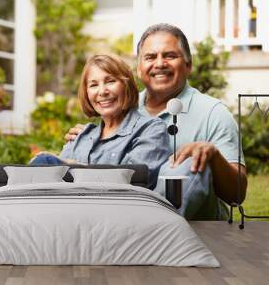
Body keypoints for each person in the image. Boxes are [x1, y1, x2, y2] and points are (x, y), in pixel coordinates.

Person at [65, 24, 248, 220]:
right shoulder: (121, 106)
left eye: (170, 56)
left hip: (197, 230)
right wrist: (87, 140)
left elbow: (236, 195)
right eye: (150, 57)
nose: (159, 64)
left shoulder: (213, 113)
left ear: (188, 65)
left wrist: (213, 156)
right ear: (139, 68)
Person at [32, 54, 171, 188]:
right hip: (65, 207)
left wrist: (74, 165)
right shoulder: (81, 135)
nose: (102, 91)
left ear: (126, 85)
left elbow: (133, 182)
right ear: (86, 93)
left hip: (116, 208)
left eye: (110, 81)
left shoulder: (151, 129)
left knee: (44, 162)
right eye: (93, 85)